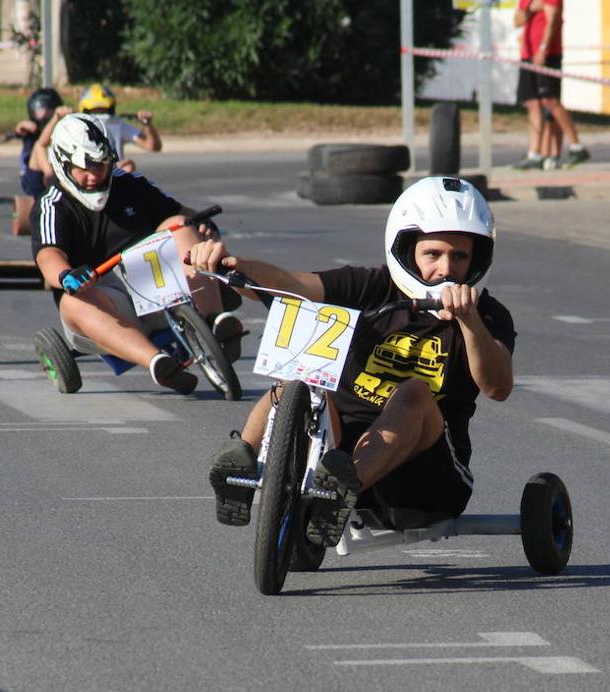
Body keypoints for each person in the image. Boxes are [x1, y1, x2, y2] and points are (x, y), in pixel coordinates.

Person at [196, 176, 515, 548]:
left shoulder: (488, 315)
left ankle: (337, 496)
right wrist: (232, 265)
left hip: (424, 478)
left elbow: (497, 387)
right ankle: (242, 463)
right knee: (301, 375)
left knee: (413, 391)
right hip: (338, 457)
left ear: (477, 259)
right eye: (433, 254)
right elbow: (290, 284)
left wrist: (469, 321)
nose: (446, 269)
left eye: (459, 256)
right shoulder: (372, 287)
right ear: (407, 248)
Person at [30, 113, 243, 395]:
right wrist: (67, 275)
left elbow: (176, 213)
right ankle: (158, 363)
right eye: (84, 168)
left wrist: (202, 225)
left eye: (100, 166)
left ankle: (215, 320)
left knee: (178, 225)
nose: (94, 176)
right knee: (72, 303)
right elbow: (48, 254)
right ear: (62, 163)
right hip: (106, 298)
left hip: (154, 279)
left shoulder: (129, 183)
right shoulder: (52, 204)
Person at [510, 0, 588, 171]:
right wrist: (530, 8)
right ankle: (534, 154)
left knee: (550, 101)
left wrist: (543, 49)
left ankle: (577, 147)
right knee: (532, 103)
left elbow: (552, 20)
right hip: (527, 55)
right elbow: (517, 21)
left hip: (547, 55)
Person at [76, 82, 160, 174]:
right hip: (86, 174)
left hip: (113, 176)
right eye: (95, 111)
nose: (100, 115)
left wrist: (148, 124)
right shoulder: (76, 127)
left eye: (104, 110)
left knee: (128, 167)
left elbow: (152, 146)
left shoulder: (118, 126)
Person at [13, 86, 61, 198]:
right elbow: (19, 130)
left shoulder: (60, 129)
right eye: (39, 110)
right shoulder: (31, 130)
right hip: (34, 178)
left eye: (47, 111)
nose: (43, 115)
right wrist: (23, 126)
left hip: (57, 172)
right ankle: (50, 177)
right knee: (38, 146)